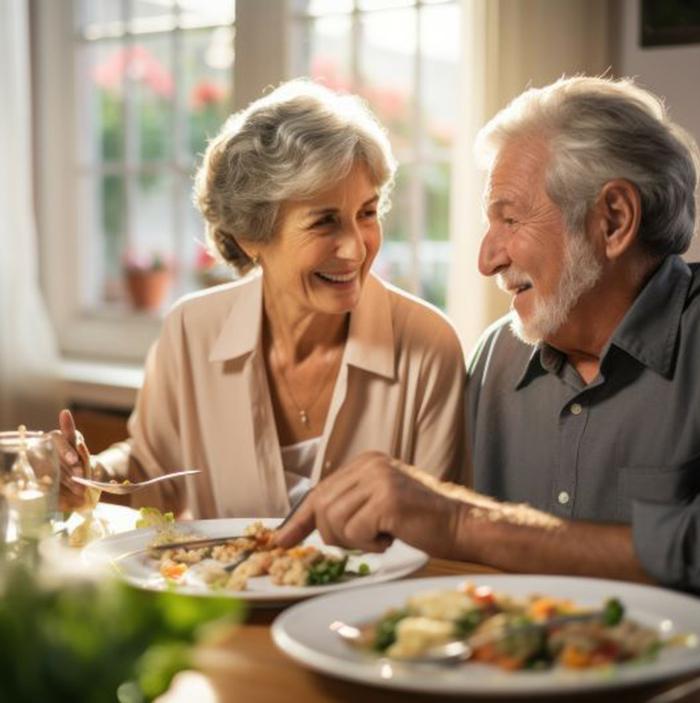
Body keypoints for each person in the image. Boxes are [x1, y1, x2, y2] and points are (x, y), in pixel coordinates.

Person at [276, 75, 700, 592]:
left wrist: (460, 523)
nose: (486, 259)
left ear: (613, 220)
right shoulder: (496, 356)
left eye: (511, 219)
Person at [53, 80, 466, 518]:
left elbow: (438, 531)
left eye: (366, 212)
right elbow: (152, 469)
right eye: (324, 222)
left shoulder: (427, 347)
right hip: (222, 588)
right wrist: (90, 475)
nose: (356, 248)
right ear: (251, 235)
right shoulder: (192, 330)